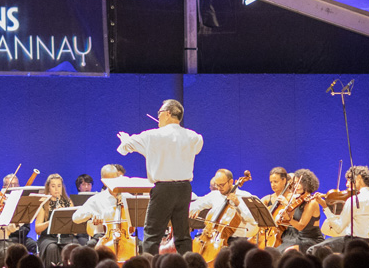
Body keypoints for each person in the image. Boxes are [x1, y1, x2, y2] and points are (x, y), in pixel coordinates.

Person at [117, 98, 204, 255]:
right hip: (184, 189)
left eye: (160, 112)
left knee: (152, 235)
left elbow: (125, 148)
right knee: (183, 235)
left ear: (168, 113)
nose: (158, 116)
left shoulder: (152, 136)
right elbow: (195, 149)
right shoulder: (194, 137)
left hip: (164, 189)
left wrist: (125, 140)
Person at [309, 166, 369, 256]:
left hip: (353, 244)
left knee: (312, 250)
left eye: (349, 180)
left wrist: (325, 206)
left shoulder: (353, 200)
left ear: (359, 178)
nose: (347, 185)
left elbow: (338, 228)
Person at [190, 169, 258, 247]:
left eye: (222, 185)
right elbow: (193, 205)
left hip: (237, 241)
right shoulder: (215, 195)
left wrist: (238, 204)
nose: (219, 188)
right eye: (217, 185)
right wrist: (196, 209)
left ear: (230, 182)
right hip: (214, 239)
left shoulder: (245, 196)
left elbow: (253, 220)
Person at [71, 164, 127, 246]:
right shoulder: (97, 199)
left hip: (125, 235)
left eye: (115, 179)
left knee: (140, 245)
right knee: (90, 246)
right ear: (103, 181)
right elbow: (75, 218)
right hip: (104, 236)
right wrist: (93, 214)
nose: (113, 182)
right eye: (109, 180)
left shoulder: (127, 197)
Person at [275, 168, 324, 252]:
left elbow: (300, 226)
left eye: (299, 183)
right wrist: (281, 219)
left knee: (285, 251)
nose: (295, 186)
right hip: (299, 238)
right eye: (295, 183)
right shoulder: (297, 200)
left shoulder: (312, 202)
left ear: (307, 184)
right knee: (276, 250)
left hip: (311, 240)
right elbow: (292, 222)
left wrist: (288, 219)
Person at [34, 173, 79, 266]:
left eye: (59, 186)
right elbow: (37, 229)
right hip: (48, 238)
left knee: (74, 245)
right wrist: (50, 222)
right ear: (48, 188)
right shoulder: (44, 204)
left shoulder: (68, 202)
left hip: (65, 237)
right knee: (52, 247)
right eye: (53, 186)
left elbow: (74, 228)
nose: (56, 189)